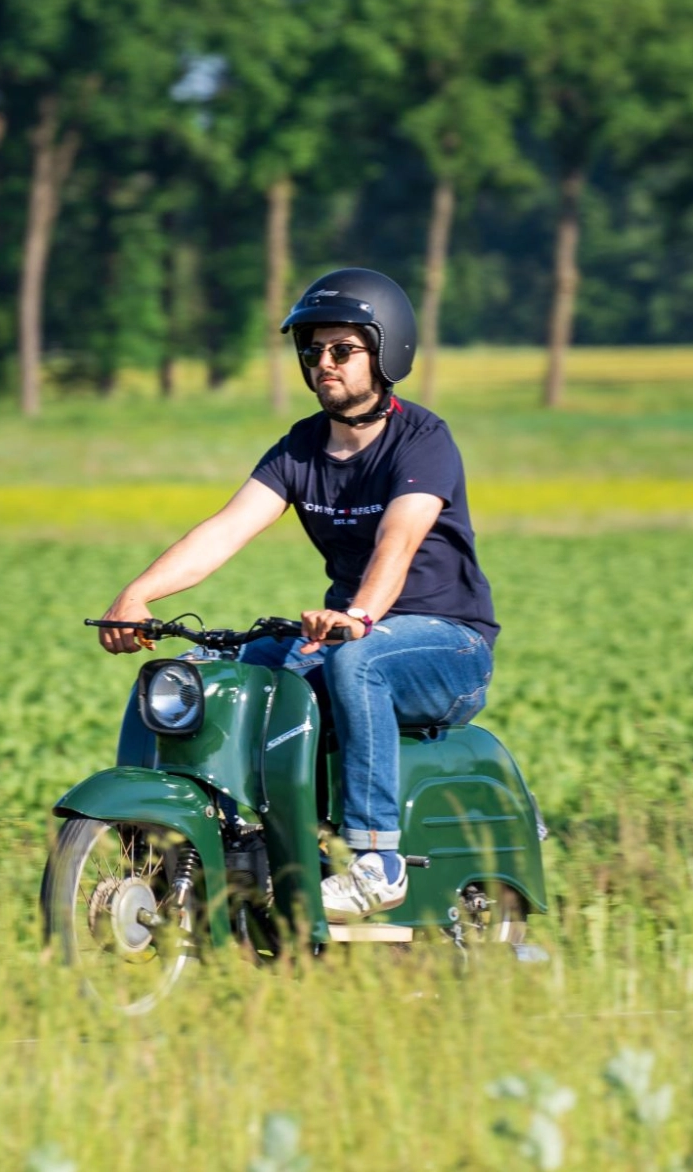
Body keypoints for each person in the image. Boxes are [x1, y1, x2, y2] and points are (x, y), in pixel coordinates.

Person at [96, 268, 498, 921]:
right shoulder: (301, 449)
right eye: (312, 352)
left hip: (447, 646)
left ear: (385, 350)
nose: (324, 364)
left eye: (342, 350)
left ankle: (377, 861)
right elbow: (226, 530)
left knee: (353, 659)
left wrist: (359, 617)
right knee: (222, 673)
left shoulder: (424, 440)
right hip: (349, 634)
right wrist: (137, 595)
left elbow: (397, 542)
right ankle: (222, 847)